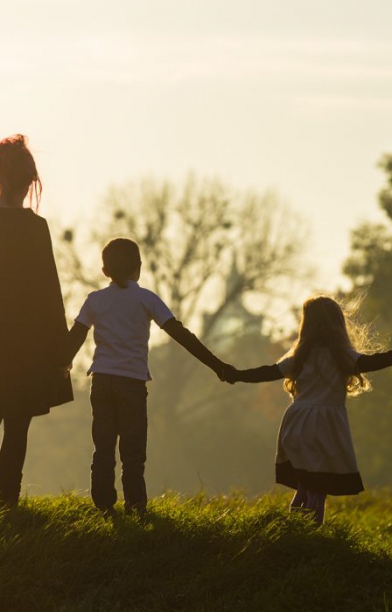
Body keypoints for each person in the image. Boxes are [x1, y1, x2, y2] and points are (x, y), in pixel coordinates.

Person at [62, 238, 231, 517]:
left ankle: (104, 506)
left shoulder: (95, 300)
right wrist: (217, 365)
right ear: (138, 268)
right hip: (132, 383)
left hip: (101, 381)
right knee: (133, 450)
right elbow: (180, 334)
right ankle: (135, 506)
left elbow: (74, 339)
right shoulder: (147, 299)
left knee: (103, 447)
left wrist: (59, 364)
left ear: (105, 271)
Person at [223, 295, 392, 524]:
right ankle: (312, 534)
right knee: (318, 488)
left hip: (296, 423)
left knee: (305, 483)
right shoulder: (342, 356)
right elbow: (371, 363)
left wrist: (236, 375)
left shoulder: (299, 357)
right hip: (325, 426)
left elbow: (266, 372)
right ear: (338, 324)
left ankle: (294, 530)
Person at [0, 135, 73, 507]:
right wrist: (60, 352)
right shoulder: (34, 227)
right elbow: (50, 295)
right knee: (16, 427)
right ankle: (7, 501)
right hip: (26, 351)